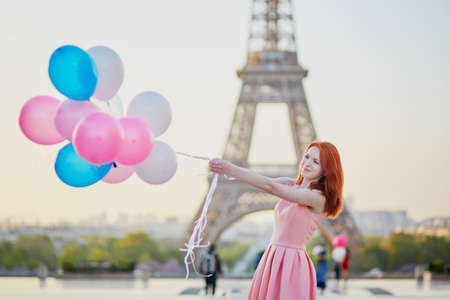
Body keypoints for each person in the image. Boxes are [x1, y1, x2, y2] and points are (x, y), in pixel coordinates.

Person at [209, 141, 344, 300]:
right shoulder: (290, 184)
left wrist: (230, 168)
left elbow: (271, 187)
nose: (307, 163)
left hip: (291, 263)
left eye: (316, 162)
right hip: (272, 257)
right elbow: (262, 181)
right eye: (306, 157)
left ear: (326, 171)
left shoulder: (317, 198)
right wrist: (229, 171)